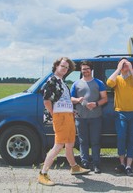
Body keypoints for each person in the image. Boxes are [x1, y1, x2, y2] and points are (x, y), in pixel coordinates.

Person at [38, 57, 90, 186]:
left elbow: (64, 99)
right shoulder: (52, 80)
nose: (65, 69)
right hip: (60, 116)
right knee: (58, 145)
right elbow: (46, 101)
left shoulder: (61, 82)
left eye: (67, 68)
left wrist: (76, 101)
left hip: (67, 116)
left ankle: (74, 167)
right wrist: (54, 114)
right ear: (56, 66)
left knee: (70, 144)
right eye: (62, 66)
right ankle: (43, 174)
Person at [106, 57, 133, 177]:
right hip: (120, 113)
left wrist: (131, 69)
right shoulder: (117, 78)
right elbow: (109, 83)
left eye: (126, 64)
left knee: (132, 139)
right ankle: (122, 164)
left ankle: (129, 166)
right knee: (121, 137)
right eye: (122, 64)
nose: (124, 66)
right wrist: (118, 68)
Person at [70, 60, 108, 174]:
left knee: (95, 141)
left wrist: (96, 104)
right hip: (80, 117)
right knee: (83, 141)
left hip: (96, 116)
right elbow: (71, 98)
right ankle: (85, 163)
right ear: (81, 71)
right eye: (83, 69)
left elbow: (105, 99)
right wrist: (78, 100)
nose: (85, 71)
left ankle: (96, 163)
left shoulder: (99, 83)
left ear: (91, 70)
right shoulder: (75, 84)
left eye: (87, 69)